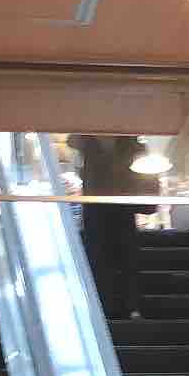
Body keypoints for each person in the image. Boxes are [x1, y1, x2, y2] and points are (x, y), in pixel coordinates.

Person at [72, 134, 150, 319]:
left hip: (120, 207)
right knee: (100, 257)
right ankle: (107, 305)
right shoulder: (86, 140)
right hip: (98, 209)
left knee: (123, 257)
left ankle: (127, 305)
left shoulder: (129, 142)